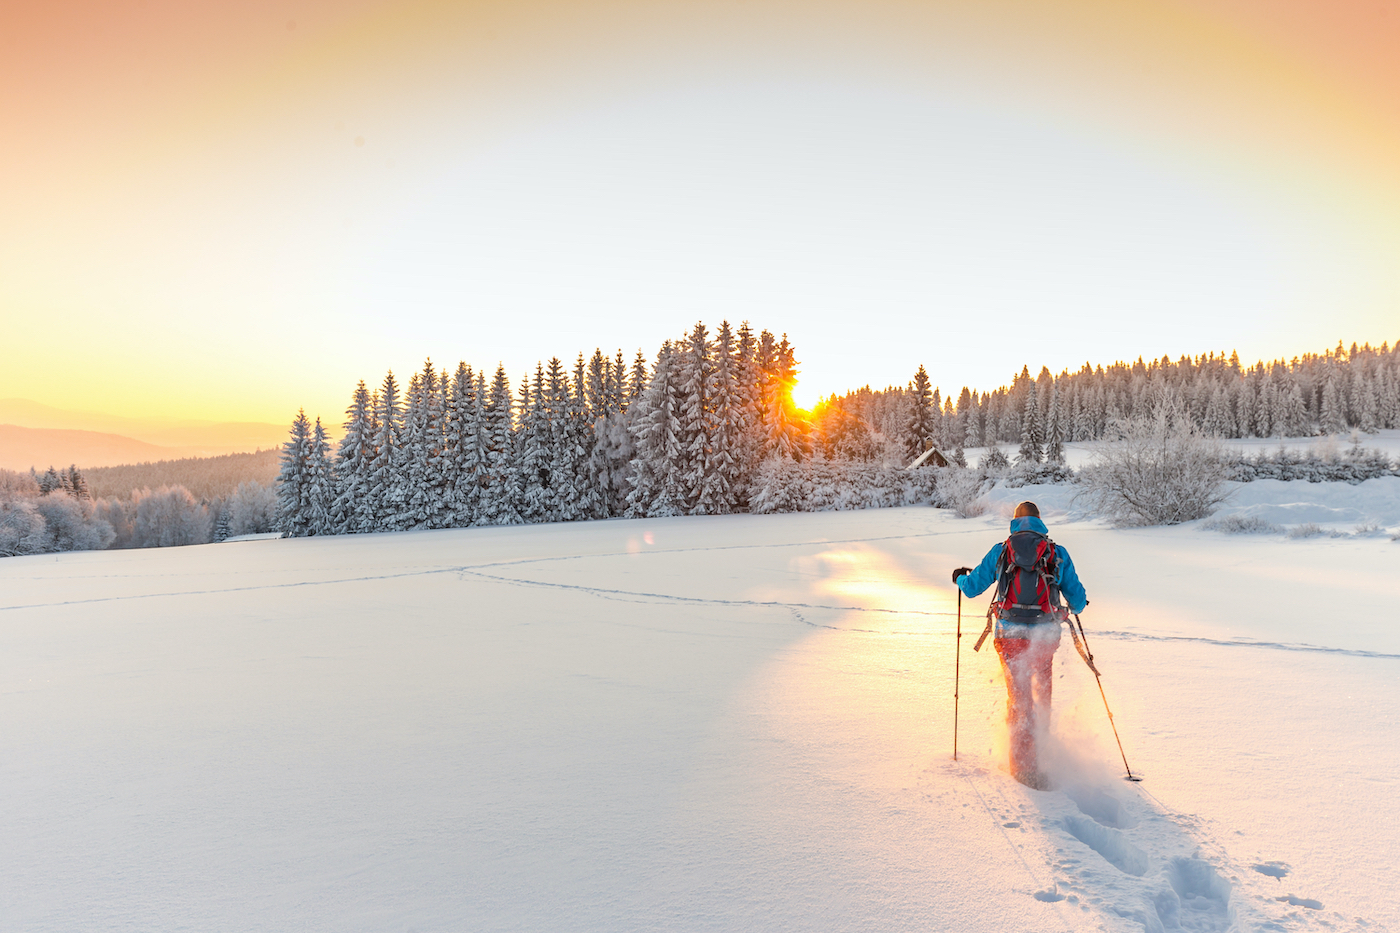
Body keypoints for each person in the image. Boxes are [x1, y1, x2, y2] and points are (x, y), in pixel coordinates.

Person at [952, 501, 1087, 789]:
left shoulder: (1002, 550)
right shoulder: (1056, 553)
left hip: (1009, 636)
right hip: (1044, 638)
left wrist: (960, 579)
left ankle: (1023, 767)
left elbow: (973, 587)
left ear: (1015, 522)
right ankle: (1042, 755)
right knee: (1042, 695)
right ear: (1039, 522)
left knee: (1019, 699)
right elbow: (1076, 600)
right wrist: (1079, 604)